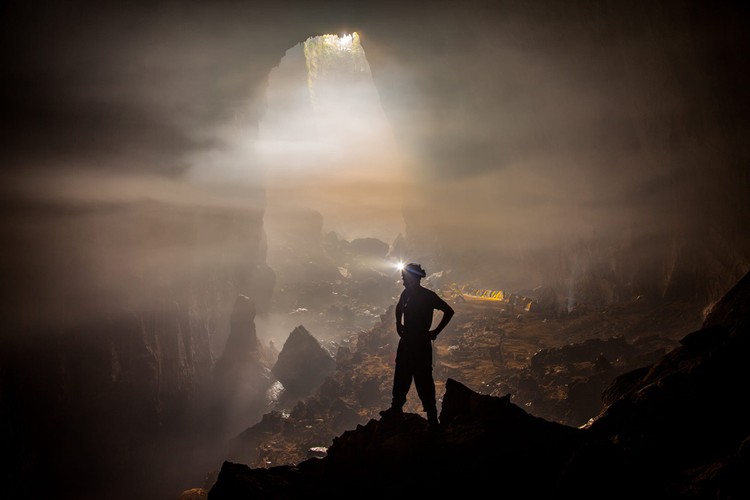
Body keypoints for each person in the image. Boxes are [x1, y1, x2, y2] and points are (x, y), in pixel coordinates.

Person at [380, 262, 455, 428]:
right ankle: (396, 410)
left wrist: (435, 331)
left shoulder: (428, 296)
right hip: (407, 342)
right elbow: (399, 308)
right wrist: (398, 324)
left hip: (420, 344)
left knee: (423, 380)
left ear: (413, 278)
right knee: (401, 376)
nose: (403, 281)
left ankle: (432, 418)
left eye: (404, 278)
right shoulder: (406, 294)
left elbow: (449, 311)